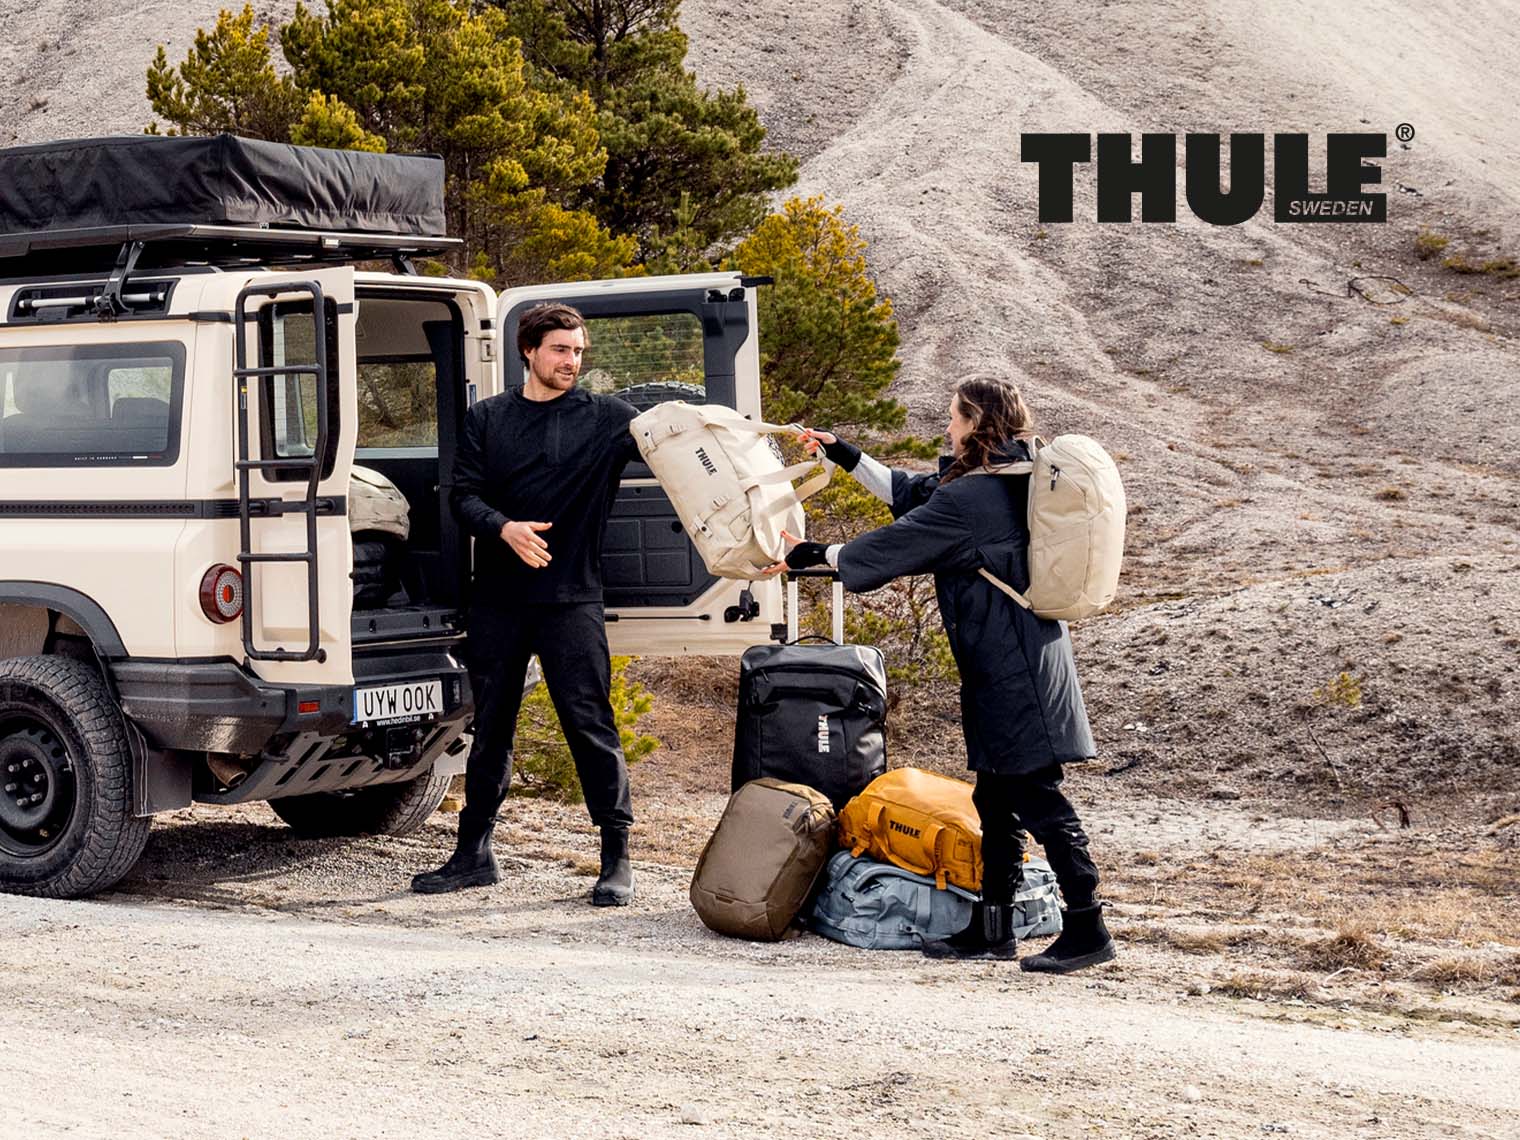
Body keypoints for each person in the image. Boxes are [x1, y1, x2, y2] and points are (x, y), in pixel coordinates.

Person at [772, 375, 1116, 972]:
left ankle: (1089, 929)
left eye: (955, 417)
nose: (948, 427)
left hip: (1013, 669)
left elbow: (896, 543)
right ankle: (993, 929)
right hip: (1012, 660)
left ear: (975, 421)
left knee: (1037, 797)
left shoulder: (972, 499)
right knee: (996, 798)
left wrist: (814, 554)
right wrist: (846, 455)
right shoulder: (1007, 476)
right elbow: (915, 493)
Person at [411, 303, 641, 906]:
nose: (572, 361)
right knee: (492, 728)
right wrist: (504, 527)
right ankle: (473, 854)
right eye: (561, 349)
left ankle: (616, 858)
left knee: (590, 725)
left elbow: (683, 447)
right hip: (499, 600)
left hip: (572, 599)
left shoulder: (610, 418)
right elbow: (463, 496)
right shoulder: (488, 417)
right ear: (529, 351)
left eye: (579, 351)